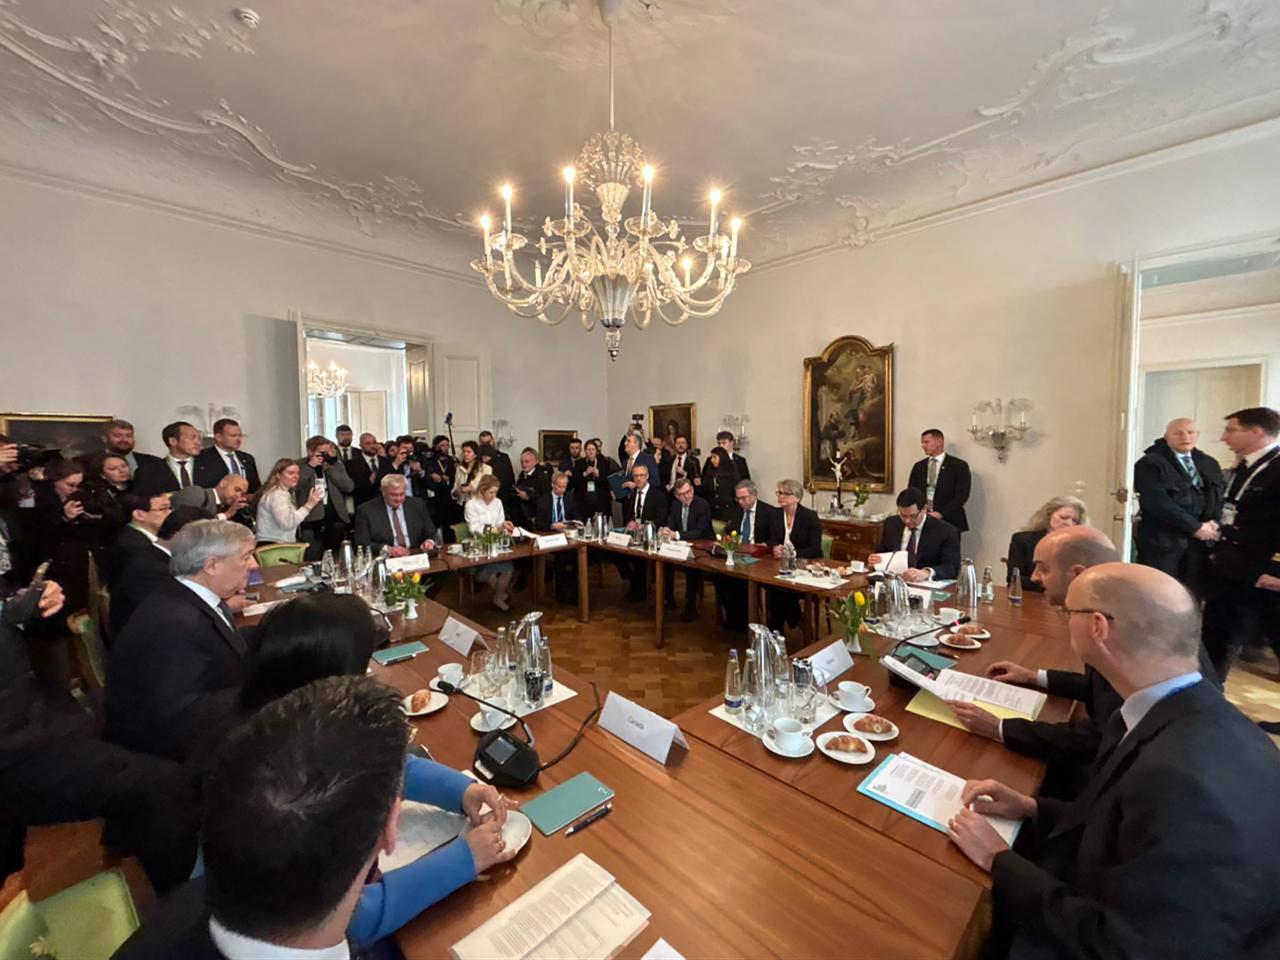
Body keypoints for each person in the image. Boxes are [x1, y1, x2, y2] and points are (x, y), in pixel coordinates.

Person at [946, 564, 1280, 960]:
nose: (1063, 621)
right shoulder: (1187, 711)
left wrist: (998, 860)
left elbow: (1127, 946)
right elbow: (1123, 831)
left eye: (1068, 613)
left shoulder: (1181, 782)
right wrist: (1033, 806)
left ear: (1098, 627)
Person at [114, 675, 515, 960]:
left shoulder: (189, 896)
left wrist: (457, 790)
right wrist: (463, 858)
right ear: (389, 829)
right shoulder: (333, 917)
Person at [231, 597, 516, 947]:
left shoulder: (287, 723)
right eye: (361, 668)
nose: (368, 677)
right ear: (321, 678)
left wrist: (461, 790)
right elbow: (351, 918)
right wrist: (464, 859)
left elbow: (381, 761)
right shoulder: (273, 782)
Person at [1, 576, 198, 893]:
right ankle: (179, 909)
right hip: (17, 747)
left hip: (45, 721)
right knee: (163, 784)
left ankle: (133, 874)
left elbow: (26, 623)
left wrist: (37, 604)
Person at [947, 527, 1123, 796]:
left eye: (1043, 569)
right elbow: (1097, 686)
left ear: (1078, 574)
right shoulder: (1113, 607)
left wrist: (1000, 727)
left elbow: (1096, 739)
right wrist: (1034, 677)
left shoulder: (1109, 632)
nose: (1034, 577)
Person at [105, 519, 258, 761]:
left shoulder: (185, 596)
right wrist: (263, 690)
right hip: (173, 761)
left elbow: (224, 641)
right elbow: (180, 712)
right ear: (212, 565)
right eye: (246, 556)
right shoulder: (177, 621)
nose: (254, 565)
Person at [1202, 406, 1280, 681]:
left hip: (1265, 573)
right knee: (1217, 637)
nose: (1224, 437)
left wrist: (1274, 572)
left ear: (1257, 431)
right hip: (1233, 568)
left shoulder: (1275, 468)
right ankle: (1209, 704)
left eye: (1232, 429)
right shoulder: (1243, 467)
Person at [1133, 418, 1224, 598]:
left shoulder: (1208, 463)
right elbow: (1157, 503)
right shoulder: (1150, 463)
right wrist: (1195, 527)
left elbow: (1219, 496)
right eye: (1178, 433)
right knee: (1161, 594)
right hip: (1163, 542)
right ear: (1166, 437)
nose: (1185, 437)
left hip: (1201, 543)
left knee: (1193, 594)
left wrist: (1212, 523)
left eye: (1190, 432)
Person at [109, 506, 209, 639]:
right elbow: (177, 613)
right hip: (147, 645)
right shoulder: (151, 569)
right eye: (205, 540)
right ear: (181, 535)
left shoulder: (161, 558)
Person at [715, 479, 783, 631]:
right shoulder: (736, 510)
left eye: (743, 498)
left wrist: (766, 545)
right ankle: (736, 619)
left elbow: (776, 537)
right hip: (738, 555)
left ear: (754, 495)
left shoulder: (769, 512)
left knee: (745, 581)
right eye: (738, 498)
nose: (741, 502)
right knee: (720, 577)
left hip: (761, 558)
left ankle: (748, 620)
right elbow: (729, 531)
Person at [766, 478, 824, 632]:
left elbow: (816, 549)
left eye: (786, 494)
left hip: (803, 566)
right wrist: (774, 548)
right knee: (774, 585)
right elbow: (771, 538)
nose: (781, 497)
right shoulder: (775, 514)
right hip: (779, 566)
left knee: (780, 590)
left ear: (797, 498)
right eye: (779, 493)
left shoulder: (809, 517)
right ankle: (795, 619)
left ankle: (775, 629)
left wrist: (792, 553)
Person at [868, 487, 961, 582]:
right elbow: (882, 552)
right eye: (903, 515)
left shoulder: (946, 531)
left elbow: (952, 567)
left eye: (913, 516)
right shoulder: (891, 524)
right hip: (895, 582)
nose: (907, 521)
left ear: (924, 509)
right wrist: (876, 560)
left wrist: (926, 572)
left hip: (926, 585)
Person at [1005, 495, 1088, 591]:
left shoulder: (1079, 547)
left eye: (1074, 521)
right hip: (1029, 597)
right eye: (1064, 517)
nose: (1069, 524)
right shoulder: (1022, 539)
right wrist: (1051, 586)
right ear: (1049, 516)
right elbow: (1014, 579)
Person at [294, 436, 353, 560]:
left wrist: (332, 466)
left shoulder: (335, 465)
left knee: (336, 559)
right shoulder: (299, 465)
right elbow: (295, 487)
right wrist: (310, 467)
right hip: (312, 520)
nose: (324, 456)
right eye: (321, 453)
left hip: (335, 517)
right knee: (313, 558)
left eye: (327, 452)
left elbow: (348, 487)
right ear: (310, 451)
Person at [662, 478, 712, 621]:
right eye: (682, 494)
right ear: (677, 496)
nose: (687, 496)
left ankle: (691, 606)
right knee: (664, 562)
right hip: (681, 545)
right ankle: (668, 599)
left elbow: (700, 531)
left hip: (701, 546)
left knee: (692, 568)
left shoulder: (702, 505)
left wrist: (676, 535)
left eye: (689, 491)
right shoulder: (675, 505)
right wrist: (667, 531)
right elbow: (672, 524)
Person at [354, 474, 438, 558]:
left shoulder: (417, 505)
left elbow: (430, 530)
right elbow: (361, 543)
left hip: (415, 554)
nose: (398, 499)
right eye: (393, 495)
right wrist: (388, 549)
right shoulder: (366, 510)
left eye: (402, 494)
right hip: (386, 558)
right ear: (383, 492)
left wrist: (429, 541)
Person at [617, 464, 667, 602]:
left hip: (651, 536)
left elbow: (661, 518)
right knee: (616, 553)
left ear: (647, 476)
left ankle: (639, 589)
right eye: (636, 476)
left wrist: (644, 526)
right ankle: (635, 584)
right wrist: (630, 522)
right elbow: (629, 514)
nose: (638, 479)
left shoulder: (658, 495)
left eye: (641, 475)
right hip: (633, 535)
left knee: (639, 559)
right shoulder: (632, 494)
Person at [465, 475, 516, 610]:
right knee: (490, 570)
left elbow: (500, 521)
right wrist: (495, 529)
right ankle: (500, 596)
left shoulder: (498, 502)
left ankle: (498, 596)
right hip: (480, 544)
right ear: (482, 490)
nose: (494, 495)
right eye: (491, 492)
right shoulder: (471, 505)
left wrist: (504, 525)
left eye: (496, 492)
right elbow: (474, 528)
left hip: (497, 543)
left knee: (508, 569)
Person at [907, 429, 971, 535]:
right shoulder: (919, 466)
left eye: (926, 442)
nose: (923, 446)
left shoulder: (958, 465)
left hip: (949, 520)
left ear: (940, 442)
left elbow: (962, 494)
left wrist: (941, 513)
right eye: (922, 442)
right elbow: (912, 491)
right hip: (923, 520)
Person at [102, 490, 173, 585]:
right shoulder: (133, 545)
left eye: (170, 508)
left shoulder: (151, 537)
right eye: (163, 509)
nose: (170, 513)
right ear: (139, 515)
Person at [253, 458, 324, 546]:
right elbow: (287, 523)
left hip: (276, 543)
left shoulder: (281, 493)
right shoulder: (277, 495)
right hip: (273, 545)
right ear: (278, 475)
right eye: (291, 473)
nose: (296, 476)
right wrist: (309, 505)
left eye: (297, 473)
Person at [133, 421, 203, 496]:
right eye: (192, 438)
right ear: (173, 441)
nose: (198, 442)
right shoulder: (150, 470)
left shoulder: (210, 465)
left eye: (199, 438)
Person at [192, 418, 261, 492]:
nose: (238, 439)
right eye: (233, 436)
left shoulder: (247, 458)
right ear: (218, 437)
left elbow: (256, 488)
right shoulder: (202, 458)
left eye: (240, 435)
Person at [83, 419, 162, 475]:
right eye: (118, 436)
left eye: (129, 436)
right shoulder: (85, 463)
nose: (124, 440)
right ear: (105, 438)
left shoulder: (155, 463)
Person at [172, 474, 251, 523]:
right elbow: (192, 527)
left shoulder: (227, 507)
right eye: (237, 490)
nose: (238, 496)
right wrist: (227, 514)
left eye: (242, 494)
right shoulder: (196, 493)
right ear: (223, 484)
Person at [421, 434, 459, 529]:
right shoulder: (430, 461)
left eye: (447, 445)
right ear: (436, 446)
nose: (445, 448)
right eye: (442, 445)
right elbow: (426, 476)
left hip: (450, 497)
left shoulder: (452, 460)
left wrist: (450, 477)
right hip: (436, 497)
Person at [348, 432, 391, 507]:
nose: (372, 446)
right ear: (360, 446)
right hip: (364, 504)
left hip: (385, 504)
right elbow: (352, 488)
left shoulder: (385, 461)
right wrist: (369, 482)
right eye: (368, 443)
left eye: (374, 442)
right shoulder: (352, 464)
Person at [575, 438, 615, 519]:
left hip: (600, 499)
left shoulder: (604, 463)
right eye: (588, 449)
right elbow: (575, 482)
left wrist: (598, 475)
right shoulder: (579, 463)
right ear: (585, 451)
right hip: (584, 500)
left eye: (593, 449)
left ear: (596, 451)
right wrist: (585, 474)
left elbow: (608, 482)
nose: (591, 451)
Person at [513, 447, 551, 527]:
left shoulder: (543, 477)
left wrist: (529, 497)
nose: (523, 465)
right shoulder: (522, 475)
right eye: (522, 462)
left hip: (536, 517)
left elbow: (546, 498)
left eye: (527, 462)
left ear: (536, 462)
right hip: (522, 516)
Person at [618, 432, 659, 503]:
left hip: (644, 502)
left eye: (628, 441)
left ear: (636, 443)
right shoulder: (625, 462)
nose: (625, 443)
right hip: (628, 504)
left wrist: (637, 485)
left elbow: (655, 481)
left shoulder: (647, 458)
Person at [701, 447, 738, 521]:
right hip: (712, 510)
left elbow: (735, 491)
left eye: (714, 457)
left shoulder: (732, 473)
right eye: (711, 457)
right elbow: (705, 492)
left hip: (728, 510)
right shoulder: (709, 473)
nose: (712, 460)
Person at [452, 440, 492, 507]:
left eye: (469, 452)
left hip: (478, 504)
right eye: (464, 452)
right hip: (462, 504)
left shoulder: (486, 469)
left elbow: (488, 488)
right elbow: (455, 486)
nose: (465, 454)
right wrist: (456, 492)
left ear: (476, 454)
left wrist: (472, 489)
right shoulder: (459, 469)